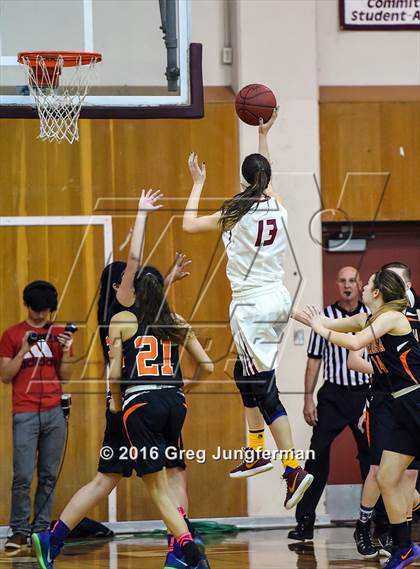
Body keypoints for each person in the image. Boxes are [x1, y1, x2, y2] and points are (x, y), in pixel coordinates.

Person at [182, 110, 313, 510]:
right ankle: (257, 449)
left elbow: (188, 225)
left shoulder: (233, 212)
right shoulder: (279, 206)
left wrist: (198, 183)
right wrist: (263, 135)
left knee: (263, 388)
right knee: (243, 375)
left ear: (243, 180)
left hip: (252, 306)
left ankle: (292, 468)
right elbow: (265, 179)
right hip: (276, 300)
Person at [301, 269, 420, 569]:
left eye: (367, 284)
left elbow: (354, 344)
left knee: (395, 479)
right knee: (385, 478)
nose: (362, 287)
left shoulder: (393, 319)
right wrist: (278, 308)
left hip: (416, 400)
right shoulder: (370, 319)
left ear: (377, 293)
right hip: (400, 406)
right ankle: (404, 548)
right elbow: (327, 323)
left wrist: (320, 328)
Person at [108, 266, 214, 569]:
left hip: (141, 403)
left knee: (156, 487)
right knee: (174, 475)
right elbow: (206, 365)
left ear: (136, 292)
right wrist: (186, 387)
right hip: (174, 401)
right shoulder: (175, 320)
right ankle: (181, 549)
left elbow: (115, 374)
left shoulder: (122, 320)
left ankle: (189, 550)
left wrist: (117, 406)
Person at [288, 266, 371, 541]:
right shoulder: (325, 318)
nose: (347, 285)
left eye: (352, 280)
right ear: (337, 284)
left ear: (360, 284)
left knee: (372, 459)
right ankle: (305, 522)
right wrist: (307, 397)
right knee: (316, 457)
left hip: (363, 395)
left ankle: (375, 523)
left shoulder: (371, 317)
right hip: (333, 395)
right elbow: (314, 360)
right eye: (343, 280)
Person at [348, 262, 419, 559]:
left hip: (409, 398)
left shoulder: (408, 317)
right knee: (380, 471)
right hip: (382, 398)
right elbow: (353, 357)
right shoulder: (373, 318)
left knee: (404, 479)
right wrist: (384, 374)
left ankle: (399, 539)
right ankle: (364, 526)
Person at [0, 281, 75, 550]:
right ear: (27, 305)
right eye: (36, 309)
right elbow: (5, 377)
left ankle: (40, 530)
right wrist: (23, 350)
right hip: (25, 412)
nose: (41, 315)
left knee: (48, 476)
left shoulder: (58, 334)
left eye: (46, 310)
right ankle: (18, 531)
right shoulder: (11, 335)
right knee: (21, 475)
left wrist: (66, 351)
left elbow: (65, 376)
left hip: (54, 412)